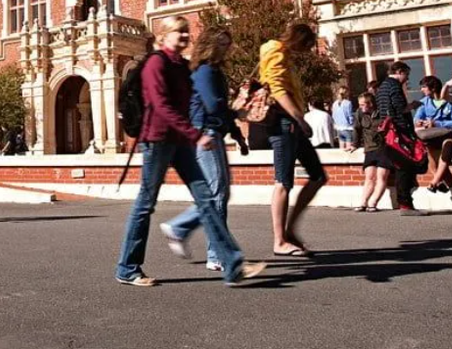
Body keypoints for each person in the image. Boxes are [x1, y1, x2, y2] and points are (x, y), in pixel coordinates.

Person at [111, 16, 265, 287]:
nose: (184, 36)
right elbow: (161, 105)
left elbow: (197, 103)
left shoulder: (183, 66)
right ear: (163, 36)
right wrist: (196, 134)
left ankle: (232, 265)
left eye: (186, 32)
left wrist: (236, 108)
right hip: (157, 140)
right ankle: (127, 268)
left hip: (180, 140)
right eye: (177, 32)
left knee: (206, 200)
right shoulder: (155, 63)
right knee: (146, 205)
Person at [159, 27, 255, 275]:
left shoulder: (215, 72)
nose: (225, 48)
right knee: (215, 194)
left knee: (219, 195)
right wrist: (239, 109)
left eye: (227, 44)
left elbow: (220, 110)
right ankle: (188, 234)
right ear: (209, 45)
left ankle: (205, 246)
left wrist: (237, 135)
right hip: (203, 134)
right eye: (221, 43)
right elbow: (214, 106)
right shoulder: (204, 71)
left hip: (213, 133)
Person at [261, 22, 328, 255]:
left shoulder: (285, 54)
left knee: (318, 176)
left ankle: (289, 231)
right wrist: (300, 119)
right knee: (283, 181)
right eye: (307, 45)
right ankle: (279, 240)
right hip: (284, 122)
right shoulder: (275, 49)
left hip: (292, 124)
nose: (307, 51)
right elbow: (277, 89)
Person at [376, 61, 422, 214]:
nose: (407, 79)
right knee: (405, 167)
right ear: (400, 71)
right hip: (399, 131)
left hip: (387, 132)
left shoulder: (382, 86)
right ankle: (405, 204)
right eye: (406, 74)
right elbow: (399, 108)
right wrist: (413, 105)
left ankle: (405, 201)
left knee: (399, 167)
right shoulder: (395, 86)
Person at [413, 76, 452, 194]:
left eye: (424, 87)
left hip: (448, 135)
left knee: (447, 148)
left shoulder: (450, 102)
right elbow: (417, 118)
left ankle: (435, 182)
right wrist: (419, 121)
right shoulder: (424, 102)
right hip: (431, 136)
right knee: (428, 149)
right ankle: (442, 183)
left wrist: (437, 123)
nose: (422, 90)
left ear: (433, 88)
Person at [347, 92, 388, 211]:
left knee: (381, 176)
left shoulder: (382, 112)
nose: (361, 107)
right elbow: (357, 129)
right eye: (359, 105)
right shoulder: (360, 113)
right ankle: (363, 202)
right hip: (369, 148)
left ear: (370, 104)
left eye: (363, 104)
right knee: (369, 176)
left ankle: (373, 203)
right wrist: (354, 144)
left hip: (384, 148)